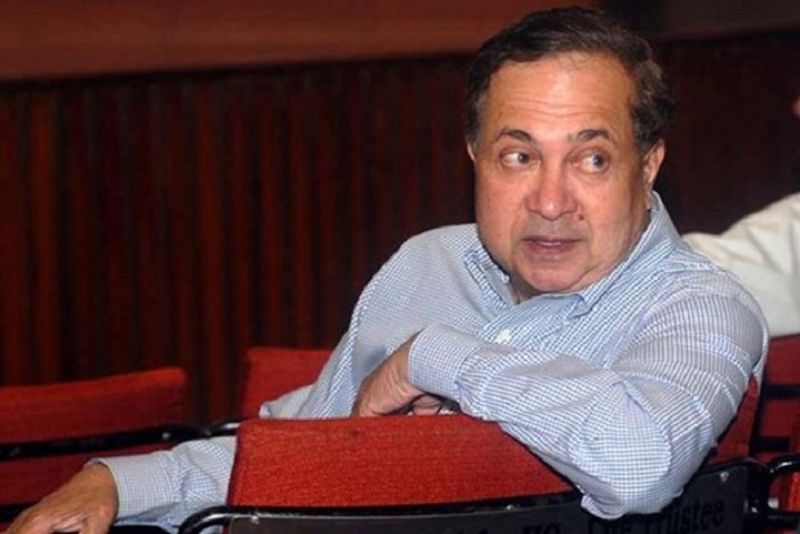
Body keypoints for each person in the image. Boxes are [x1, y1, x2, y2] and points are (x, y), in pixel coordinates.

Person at [6, 7, 767, 534]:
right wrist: (117, 483)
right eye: (518, 156)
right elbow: (305, 449)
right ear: (474, 158)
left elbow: (640, 463)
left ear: (648, 164)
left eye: (591, 159)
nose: (549, 200)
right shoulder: (425, 265)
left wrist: (435, 357)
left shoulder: (699, 307)